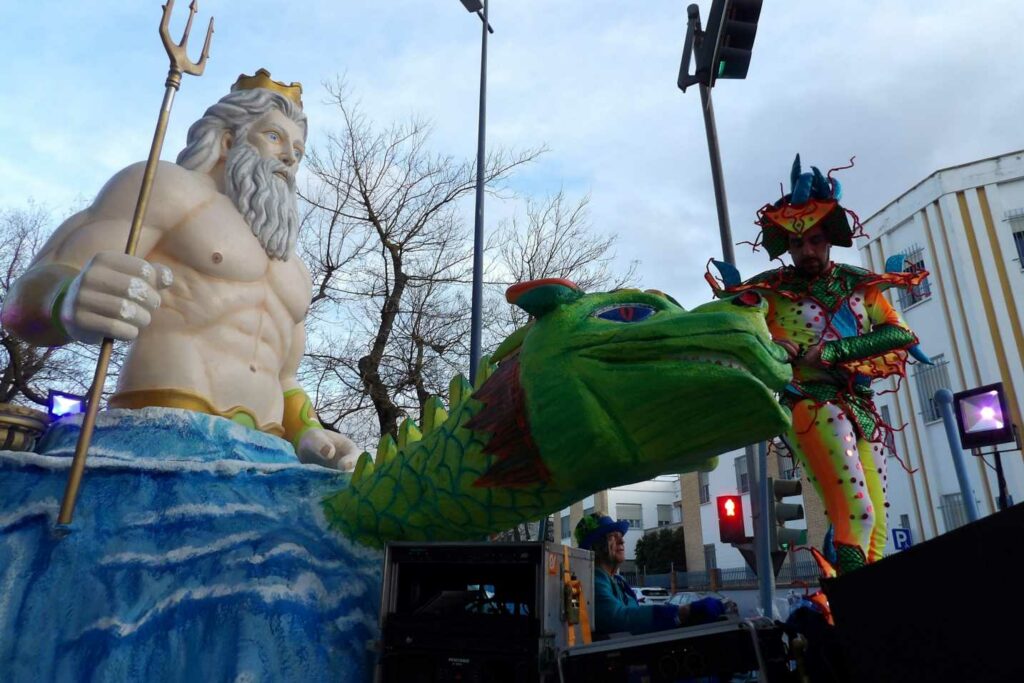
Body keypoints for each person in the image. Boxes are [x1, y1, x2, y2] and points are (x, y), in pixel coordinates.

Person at [1, 69, 356, 469]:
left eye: (298, 149)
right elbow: (26, 299)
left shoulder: (294, 268)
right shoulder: (168, 188)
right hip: (167, 433)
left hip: (270, 452)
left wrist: (309, 432)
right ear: (227, 140)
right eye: (274, 137)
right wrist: (64, 299)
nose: (290, 156)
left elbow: (286, 379)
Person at [710, 155, 928, 574]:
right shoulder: (769, 294)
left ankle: (864, 606)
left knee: (878, 523)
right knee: (856, 512)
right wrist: (775, 344)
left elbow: (900, 334)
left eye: (814, 240)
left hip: (862, 408)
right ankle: (852, 609)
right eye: (796, 243)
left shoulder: (859, 286)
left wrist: (832, 352)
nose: (806, 250)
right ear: (786, 247)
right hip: (813, 403)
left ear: (829, 238)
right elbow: (741, 338)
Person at [574, 512, 726, 636]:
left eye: (620, 535)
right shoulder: (594, 580)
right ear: (595, 546)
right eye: (612, 536)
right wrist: (682, 612)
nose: (622, 541)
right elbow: (619, 618)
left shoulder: (617, 581)